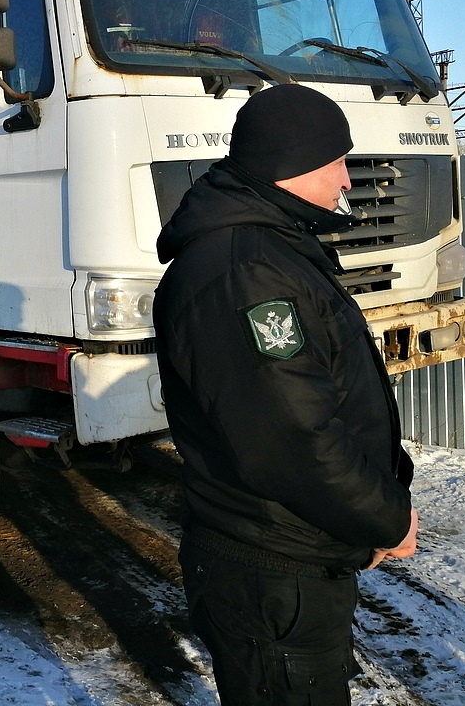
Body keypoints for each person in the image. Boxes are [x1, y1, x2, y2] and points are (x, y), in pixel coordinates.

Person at [153, 83, 418, 705]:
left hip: (291, 556)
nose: (348, 180)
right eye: (337, 161)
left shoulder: (267, 250)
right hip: (270, 569)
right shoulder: (244, 272)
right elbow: (293, 437)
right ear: (290, 164)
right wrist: (385, 516)